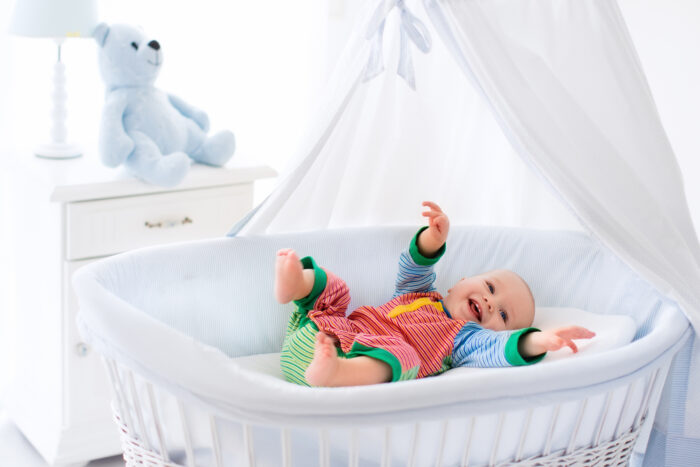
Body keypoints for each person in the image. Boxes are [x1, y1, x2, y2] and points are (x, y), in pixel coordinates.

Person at [275, 201, 594, 387]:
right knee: (337, 290)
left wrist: (539, 340)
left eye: (504, 315)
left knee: (404, 358)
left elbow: (502, 348)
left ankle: (336, 375)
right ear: (459, 283)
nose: (490, 302)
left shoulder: (465, 339)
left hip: (351, 361)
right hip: (320, 333)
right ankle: (295, 285)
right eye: (491, 288)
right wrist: (433, 239)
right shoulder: (420, 294)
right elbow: (413, 266)